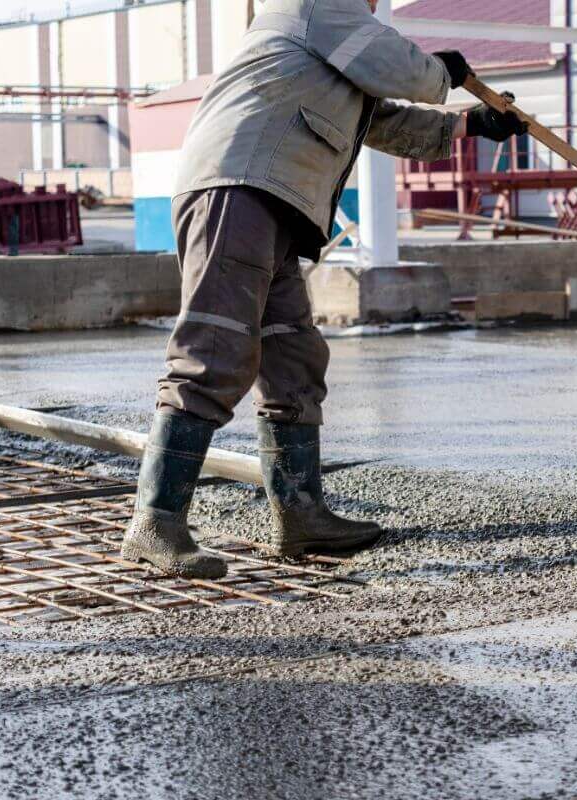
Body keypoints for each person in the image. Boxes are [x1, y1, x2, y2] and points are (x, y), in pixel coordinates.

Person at [120, 0, 528, 579]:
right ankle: (155, 522)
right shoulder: (315, 5)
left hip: (275, 200)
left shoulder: (331, 38)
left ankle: (300, 515)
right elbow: (400, 66)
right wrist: (446, 75)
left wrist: (467, 124)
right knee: (215, 348)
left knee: (293, 357)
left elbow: (377, 117)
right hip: (238, 190)